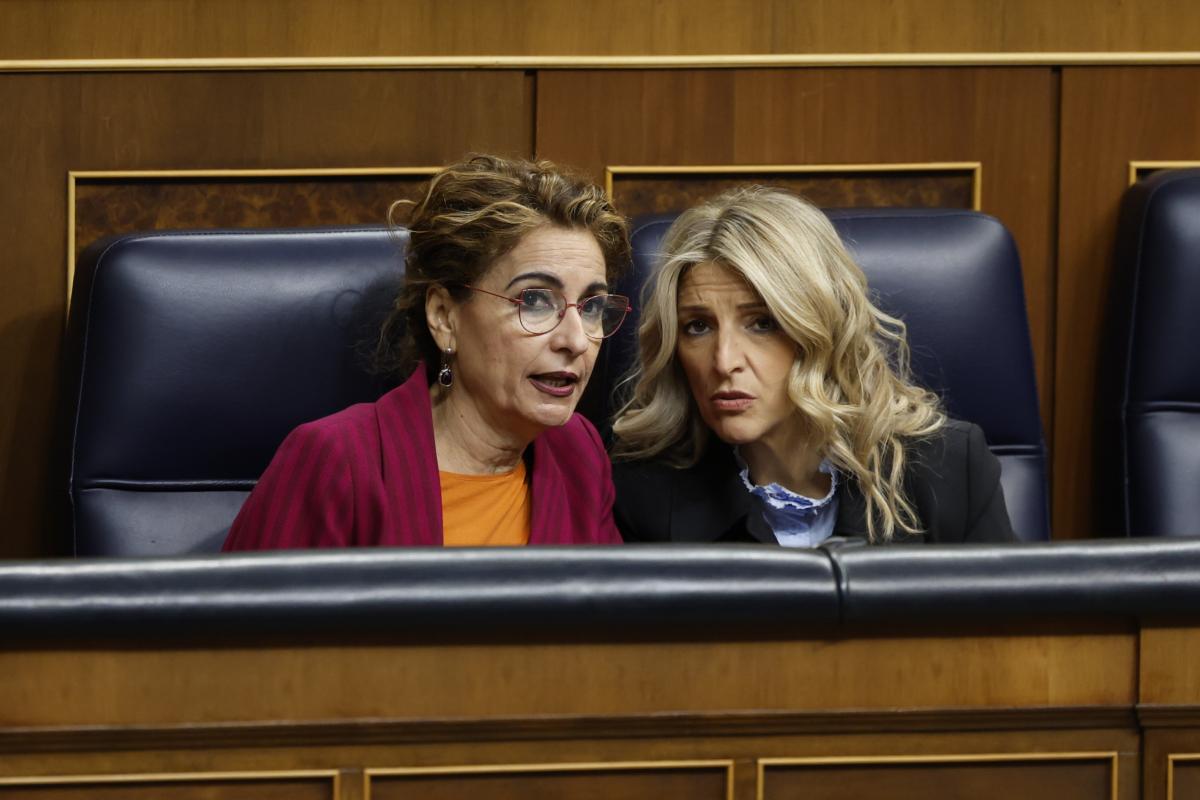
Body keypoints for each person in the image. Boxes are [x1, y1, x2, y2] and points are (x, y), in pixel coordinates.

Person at [223, 155, 632, 549]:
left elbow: (607, 619)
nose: (576, 341)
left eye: (592, 306)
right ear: (443, 317)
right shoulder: (335, 460)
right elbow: (243, 620)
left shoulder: (578, 451)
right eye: (535, 302)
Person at [610, 187, 1016, 545]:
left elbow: (1010, 632)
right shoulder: (640, 493)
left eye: (762, 323)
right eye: (697, 326)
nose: (724, 361)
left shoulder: (949, 468)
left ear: (820, 327)